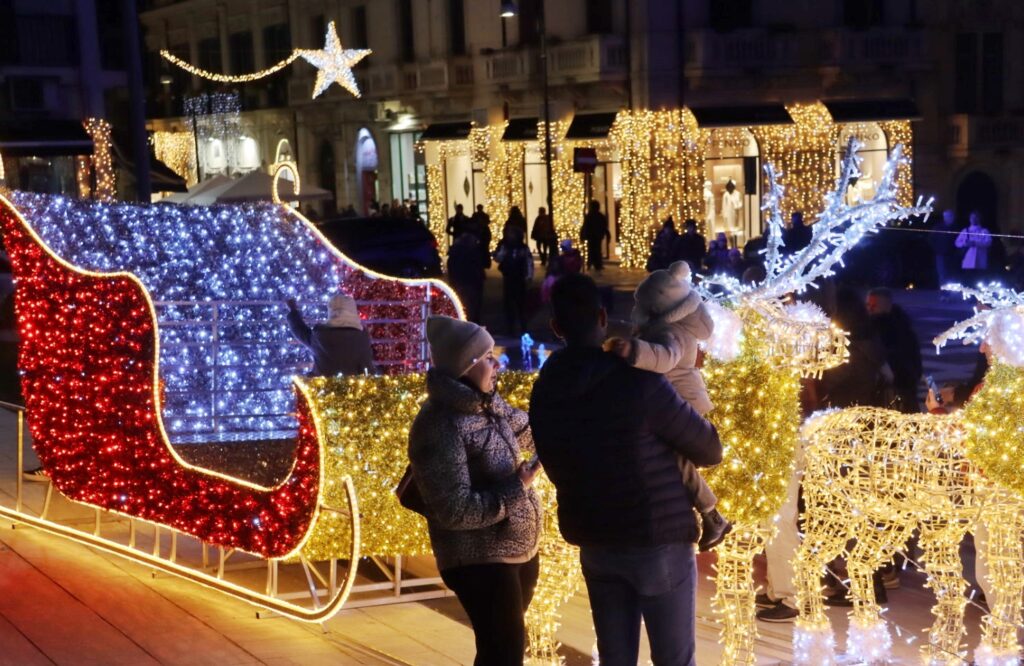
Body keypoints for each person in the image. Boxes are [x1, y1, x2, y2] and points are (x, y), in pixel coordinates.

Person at [529, 274, 722, 665]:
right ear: (603, 316)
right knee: (674, 659)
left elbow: (552, 461)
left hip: (596, 539)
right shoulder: (638, 380)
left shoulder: (547, 389)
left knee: (616, 659)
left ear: (556, 327)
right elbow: (708, 449)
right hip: (657, 537)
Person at [408, 316, 542, 666]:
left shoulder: (490, 406)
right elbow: (454, 510)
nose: (497, 364)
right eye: (487, 357)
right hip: (479, 560)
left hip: (517, 550)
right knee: (505, 652)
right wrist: (519, 486)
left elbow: (532, 431)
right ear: (465, 367)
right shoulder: (438, 425)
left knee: (499, 652)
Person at [604, 261, 732, 551]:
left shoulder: (668, 332)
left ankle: (712, 515)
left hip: (683, 405)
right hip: (678, 403)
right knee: (672, 459)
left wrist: (634, 350)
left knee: (673, 458)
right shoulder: (668, 326)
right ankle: (711, 516)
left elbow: (666, 357)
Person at [285, 293, 377, 377]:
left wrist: (293, 311)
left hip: (323, 388)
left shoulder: (319, 335)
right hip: (353, 390)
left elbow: (300, 331)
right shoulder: (362, 338)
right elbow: (367, 368)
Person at [866, 288, 922, 413]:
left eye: (874, 306)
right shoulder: (904, 327)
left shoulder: (891, 331)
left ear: (886, 307)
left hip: (895, 391)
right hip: (902, 390)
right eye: (868, 305)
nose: (869, 309)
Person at [495, 227, 534, 336]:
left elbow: (529, 261)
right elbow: (498, 258)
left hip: (519, 278)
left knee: (520, 304)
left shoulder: (523, 248)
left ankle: (523, 327)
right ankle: (510, 327)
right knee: (509, 304)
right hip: (509, 278)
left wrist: (529, 276)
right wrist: (502, 252)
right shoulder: (506, 247)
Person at [447, 232, 487, 324]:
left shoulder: (455, 253)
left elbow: (452, 268)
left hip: (461, 281)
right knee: (472, 303)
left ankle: (465, 321)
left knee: (464, 303)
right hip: (471, 282)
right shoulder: (473, 252)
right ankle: (471, 321)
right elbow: (479, 266)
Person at [955, 211, 992, 286]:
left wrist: (976, 243)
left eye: (976, 217)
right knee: (968, 281)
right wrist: (965, 244)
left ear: (979, 219)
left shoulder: (984, 231)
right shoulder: (966, 231)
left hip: (980, 260)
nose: (974, 219)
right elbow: (957, 243)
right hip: (967, 261)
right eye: (972, 217)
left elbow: (988, 242)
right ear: (969, 219)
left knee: (979, 281)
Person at [930, 209, 958, 289]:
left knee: (952, 275)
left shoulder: (955, 228)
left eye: (950, 216)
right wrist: (937, 249)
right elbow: (931, 239)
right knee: (942, 275)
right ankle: (944, 295)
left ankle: (951, 294)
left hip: (952, 255)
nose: (948, 218)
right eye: (946, 216)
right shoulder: (938, 227)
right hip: (941, 255)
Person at [580, 200, 609, 272]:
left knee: (592, 250)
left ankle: (593, 263)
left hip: (593, 236)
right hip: (596, 236)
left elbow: (585, 226)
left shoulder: (590, 216)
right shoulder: (599, 216)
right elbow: (604, 226)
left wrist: (583, 234)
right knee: (596, 250)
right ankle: (596, 264)